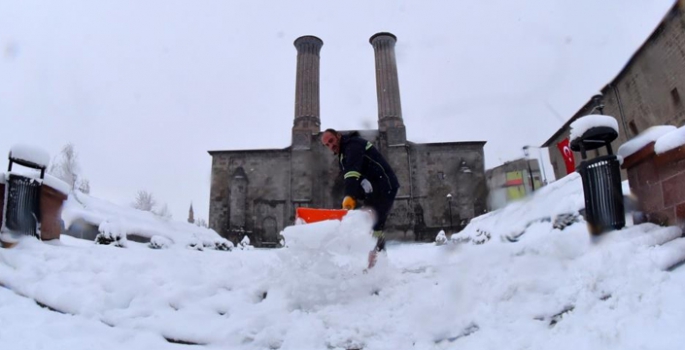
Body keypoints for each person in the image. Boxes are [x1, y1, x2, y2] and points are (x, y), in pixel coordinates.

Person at [320, 128, 399, 268]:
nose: (330, 145)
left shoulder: (352, 145)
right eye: (327, 144)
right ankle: (377, 264)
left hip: (384, 185)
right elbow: (352, 177)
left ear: (338, 136)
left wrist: (349, 196)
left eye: (331, 140)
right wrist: (355, 194)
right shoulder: (343, 156)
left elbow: (352, 172)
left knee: (374, 226)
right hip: (373, 190)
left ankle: (376, 266)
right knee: (370, 225)